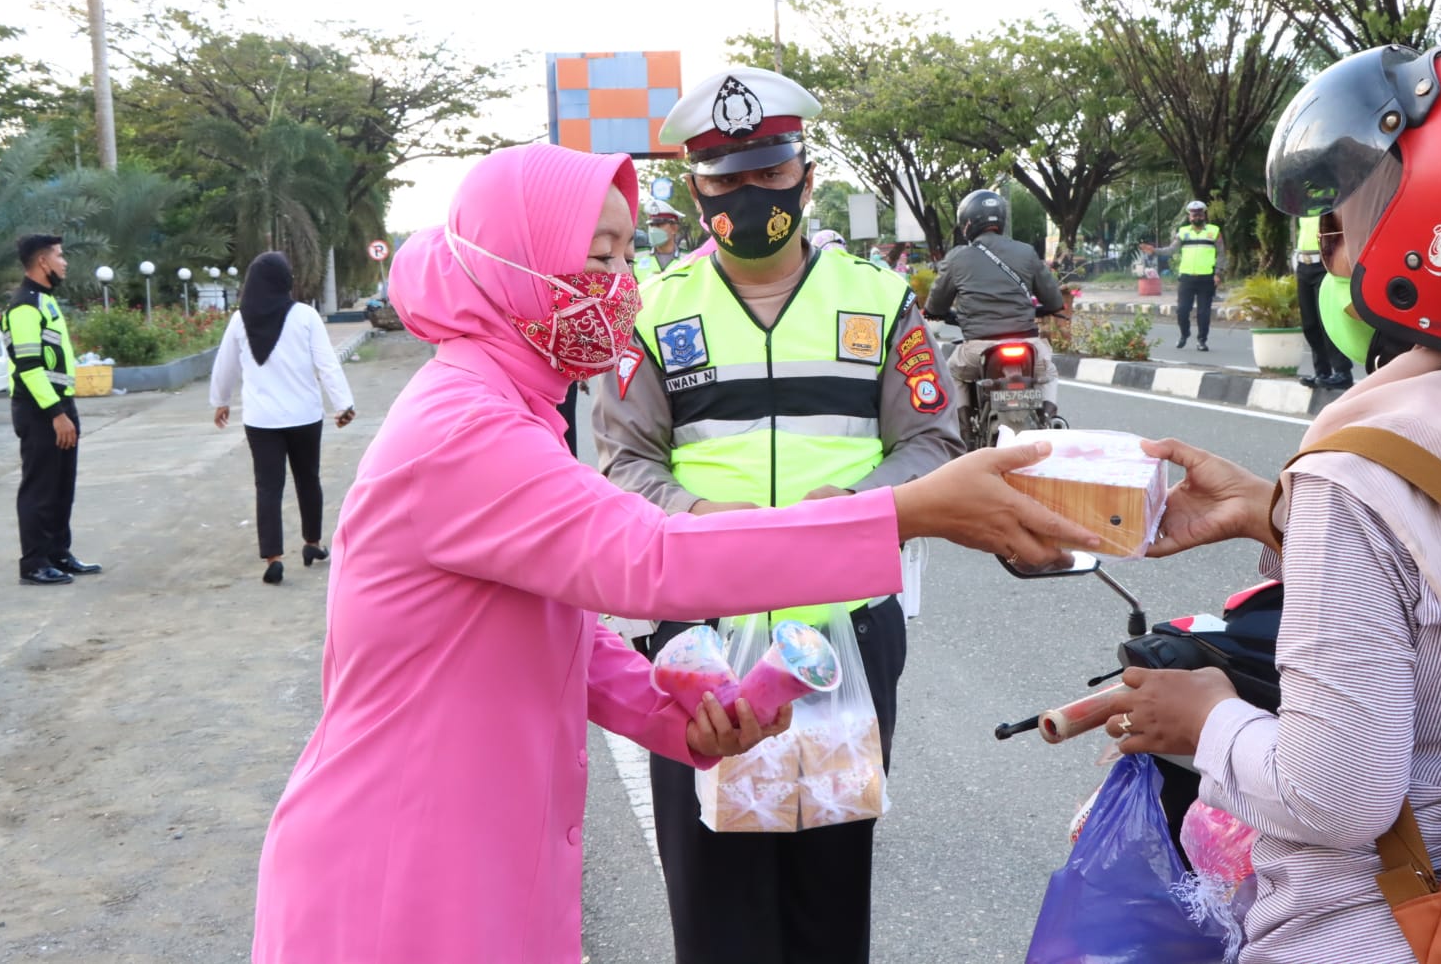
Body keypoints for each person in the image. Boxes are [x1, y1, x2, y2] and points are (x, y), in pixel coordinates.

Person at [249, 141, 1095, 964]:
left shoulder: (515, 407)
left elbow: (561, 636)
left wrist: (676, 714)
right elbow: (652, 558)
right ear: (511, 259)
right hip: (406, 863)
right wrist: (899, 515)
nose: (618, 284)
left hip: (480, 842)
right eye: (594, 254)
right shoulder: (465, 429)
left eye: (624, 253)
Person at [1095, 38, 1441, 962]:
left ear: (1437, 219)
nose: (1338, 249)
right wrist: (1269, 511)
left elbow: (1333, 794)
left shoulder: (1364, 472)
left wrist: (1202, 716)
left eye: (1351, 214)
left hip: (1395, 922)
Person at [592, 66, 965, 964]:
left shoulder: (879, 300)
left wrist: (854, 506)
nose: (750, 194)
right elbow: (623, 466)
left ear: (803, 170)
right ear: (695, 186)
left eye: (768, 170)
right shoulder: (652, 310)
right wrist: (701, 516)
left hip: (846, 642)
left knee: (829, 898)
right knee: (717, 908)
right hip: (701, 650)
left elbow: (934, 444)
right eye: (724, 177)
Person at [209, 251, 355, 585]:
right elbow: (327, 363)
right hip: (304, 415)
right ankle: (312, 543)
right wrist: (342, 404)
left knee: (268, 486)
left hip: (261, 420)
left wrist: (221, 400)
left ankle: (273, 557)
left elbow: (225, 365)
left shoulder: (239, 319)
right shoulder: (305, 315)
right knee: (308, 479)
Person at [6, 234, 101, 587]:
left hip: (59, 403)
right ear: (43, 262)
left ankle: (59, 553)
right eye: (60, 257)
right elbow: (29, 366)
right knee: (40, 487)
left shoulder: (45, 301)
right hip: (40, 410)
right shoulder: (25, 307)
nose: (65, 263)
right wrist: (56, 413)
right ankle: (34, 562)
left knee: (62, 486)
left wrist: (65, 408)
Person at [926, 188, 1064, 426]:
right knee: (1048, 373)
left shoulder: (957, 258)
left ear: (967, 223)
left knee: (952, 373)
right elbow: (1054, 302)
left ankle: (966, 429)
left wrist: (937, 313)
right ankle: (1050, 421)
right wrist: (1043, 308)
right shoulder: (1026, 252)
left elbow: (936, 305)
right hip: (1027, 345)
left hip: (978, 350)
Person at [1141, 199, 1225, 351]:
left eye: (1199, 214)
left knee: (1203, 312)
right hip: (1186, 278)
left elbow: (1221, 254)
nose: (1196, 217)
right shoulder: (1183, 232)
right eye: (1193, 215)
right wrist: (1154, 251)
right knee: (1182, 310)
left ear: (1204, 215)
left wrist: (1218, 273)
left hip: (1206, 278)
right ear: (1189, 217)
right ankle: (1184, 334)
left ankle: (1202, 340)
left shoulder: (1214, 231)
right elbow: (1170, 250)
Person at [1293, 215, 1353, 389]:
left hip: (1323, 264)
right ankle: (1322, 372)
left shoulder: (1330, 203)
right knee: (1309, 323)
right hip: (1304, 264)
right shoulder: (1304, 208)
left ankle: (1342, 372)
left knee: (1327, 321)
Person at [635, 198, 686, 281]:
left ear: (674, 228)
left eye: (658, 225)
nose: (653, 230)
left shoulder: (688, 259)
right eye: (651, 225)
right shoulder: (636, 258)